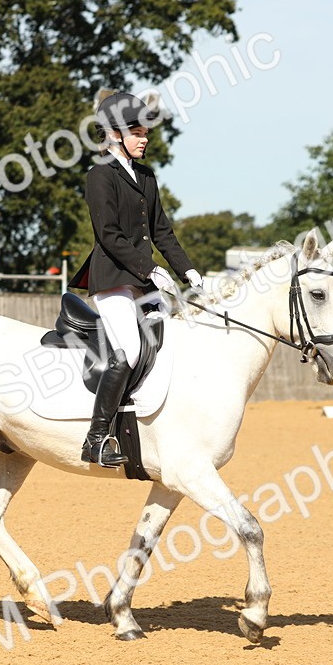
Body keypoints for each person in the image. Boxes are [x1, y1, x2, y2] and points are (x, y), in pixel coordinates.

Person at [70, 92, 203, 467]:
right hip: (112, 278)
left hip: (142, 281)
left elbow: (162, 232)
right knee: (129, 348)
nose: (144, 138)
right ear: (114, 134)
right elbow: (108, 235)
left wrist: (189, 271)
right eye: (137, 132)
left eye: (146, 132)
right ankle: (96, 439)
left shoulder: (146, 176)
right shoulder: (100, 175)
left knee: (170, 338)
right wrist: (150, 270)